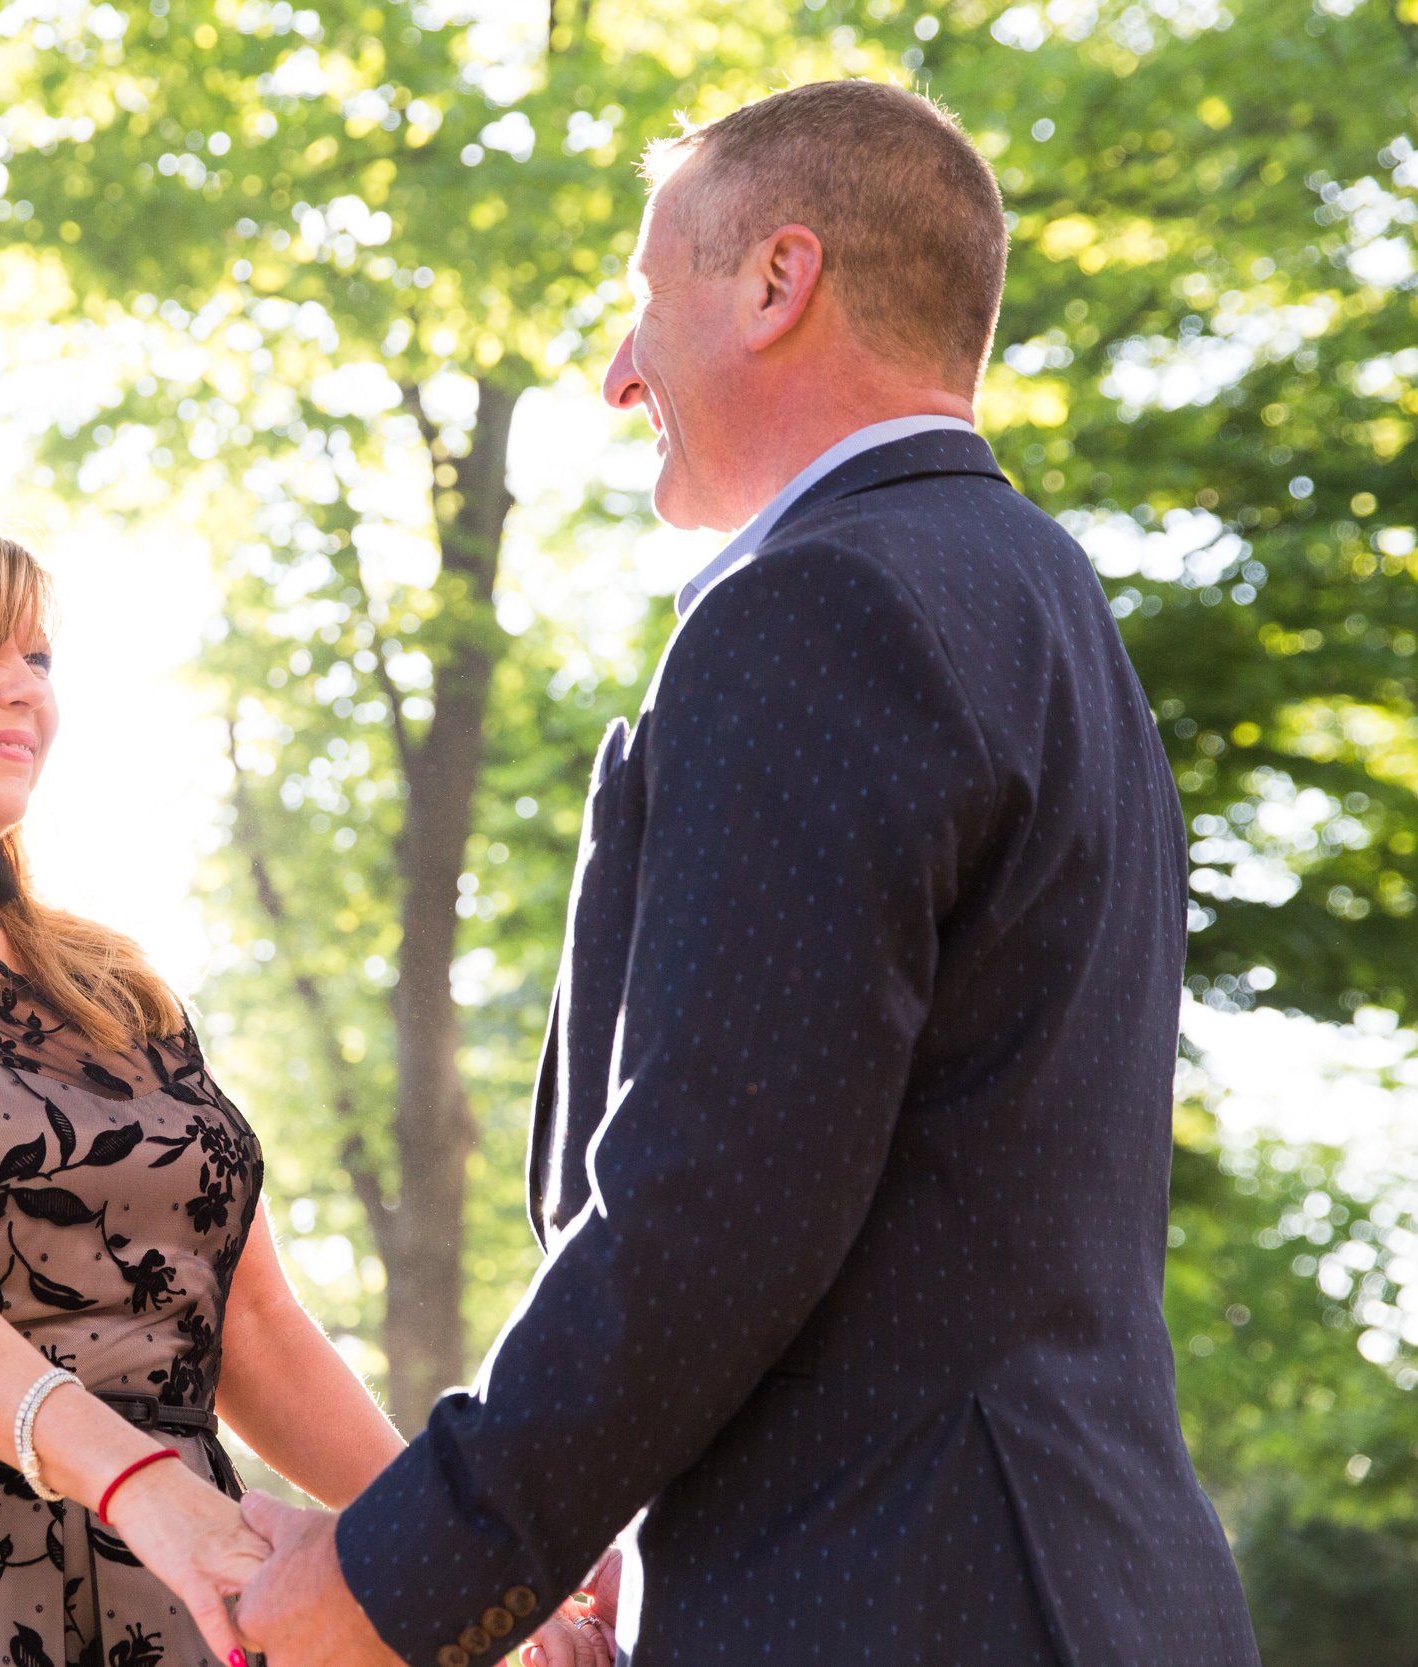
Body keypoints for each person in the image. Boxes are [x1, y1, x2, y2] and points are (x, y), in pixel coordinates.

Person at [230, 79, 1261, 1667]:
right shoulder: (1045, 602)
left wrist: (404, 1577)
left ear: (778, 282)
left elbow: (717, 1191)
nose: (615, 369)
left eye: (645, 302)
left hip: (895, 1599)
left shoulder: (819, 607)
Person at [0, 511, 597, 1667]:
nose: (22, 690)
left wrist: (468, 1556)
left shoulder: (116, 988)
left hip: (174, 1597)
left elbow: (255, 1326)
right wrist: (142, 1486)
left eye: (37, 658)